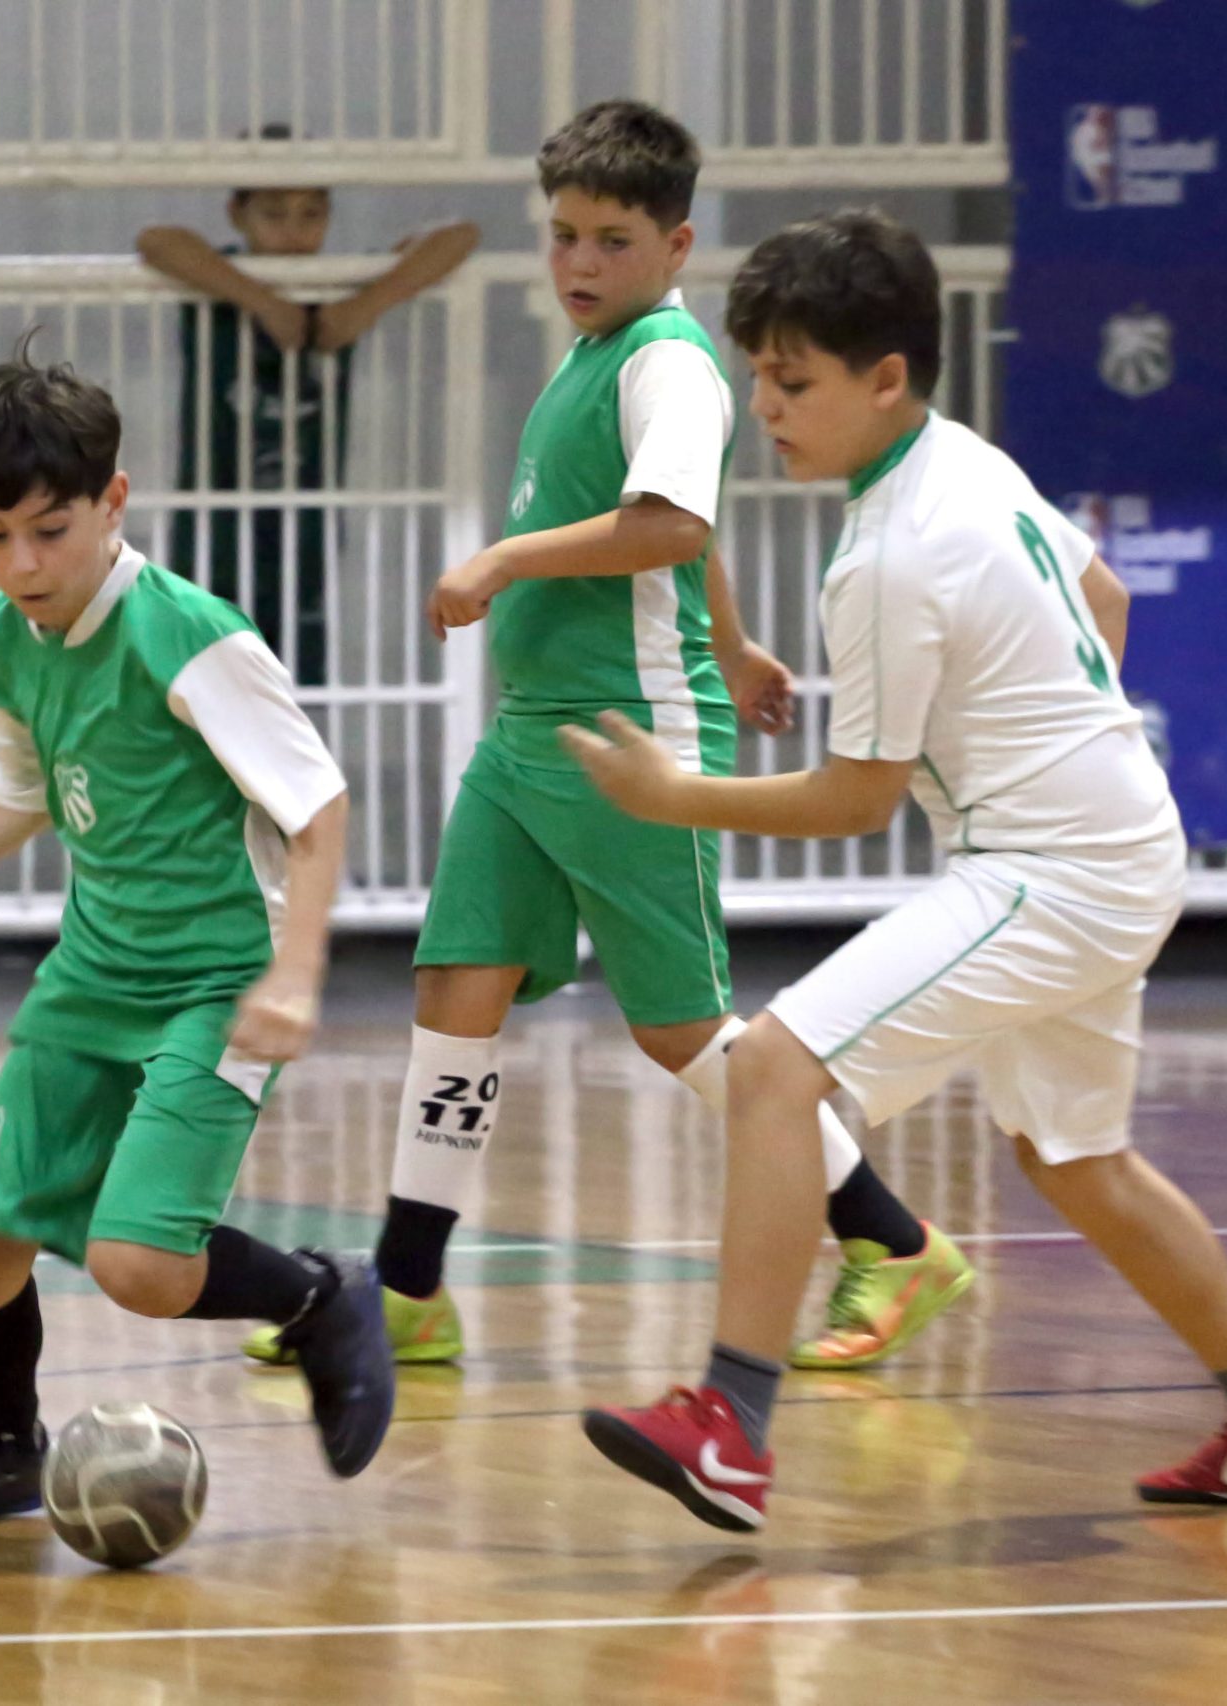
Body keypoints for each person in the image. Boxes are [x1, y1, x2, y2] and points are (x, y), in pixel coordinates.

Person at [569, 208, 1227, 1531]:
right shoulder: (968, 462)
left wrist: (671, 793)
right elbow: (1106, 604)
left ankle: (728, 1425)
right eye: (756, 376)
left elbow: (857, 799)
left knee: (772, 1062)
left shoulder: (884, 554)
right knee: (1077, 1158)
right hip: (1116, 839)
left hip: (1056, 864)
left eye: (793, 382)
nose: (767, 407)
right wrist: (1040, 722)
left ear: (886, 379)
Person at [246, 102, 973, 1375]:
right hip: (530, 735)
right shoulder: (594, 356)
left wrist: (505, 556)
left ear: (676, 244)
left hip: (634, 737)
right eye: (563, 234)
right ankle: (407, 1288)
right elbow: (680, 524)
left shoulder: (669, 360)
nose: (579, 261)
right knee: (456, 988)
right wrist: (740, 641)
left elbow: (670, 529)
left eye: (611, 239)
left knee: (682, 1029)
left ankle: (896, 1240)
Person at [0, 338, 392, 1522]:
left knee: (142, 1268)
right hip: (95, 972)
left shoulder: (192, 637)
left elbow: (317, 806)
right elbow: (17, 794)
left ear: (113, 502)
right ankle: (5, 1447)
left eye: (49, 530)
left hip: (215, 982)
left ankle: (326, 1297)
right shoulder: (1, 642)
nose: (21, 563)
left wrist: (296, 971)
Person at [137, 124, 479, 685]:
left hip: (309, 524)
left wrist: (363, 306)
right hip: (213, 521)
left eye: (311, 213)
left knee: (294, 686)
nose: (295, 232)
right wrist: (264, 302)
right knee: (202, 680)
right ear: (237, 214)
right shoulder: (220, 277)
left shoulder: (338, 282)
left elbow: (460, 235)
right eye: (274, 214)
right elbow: (156, 240)